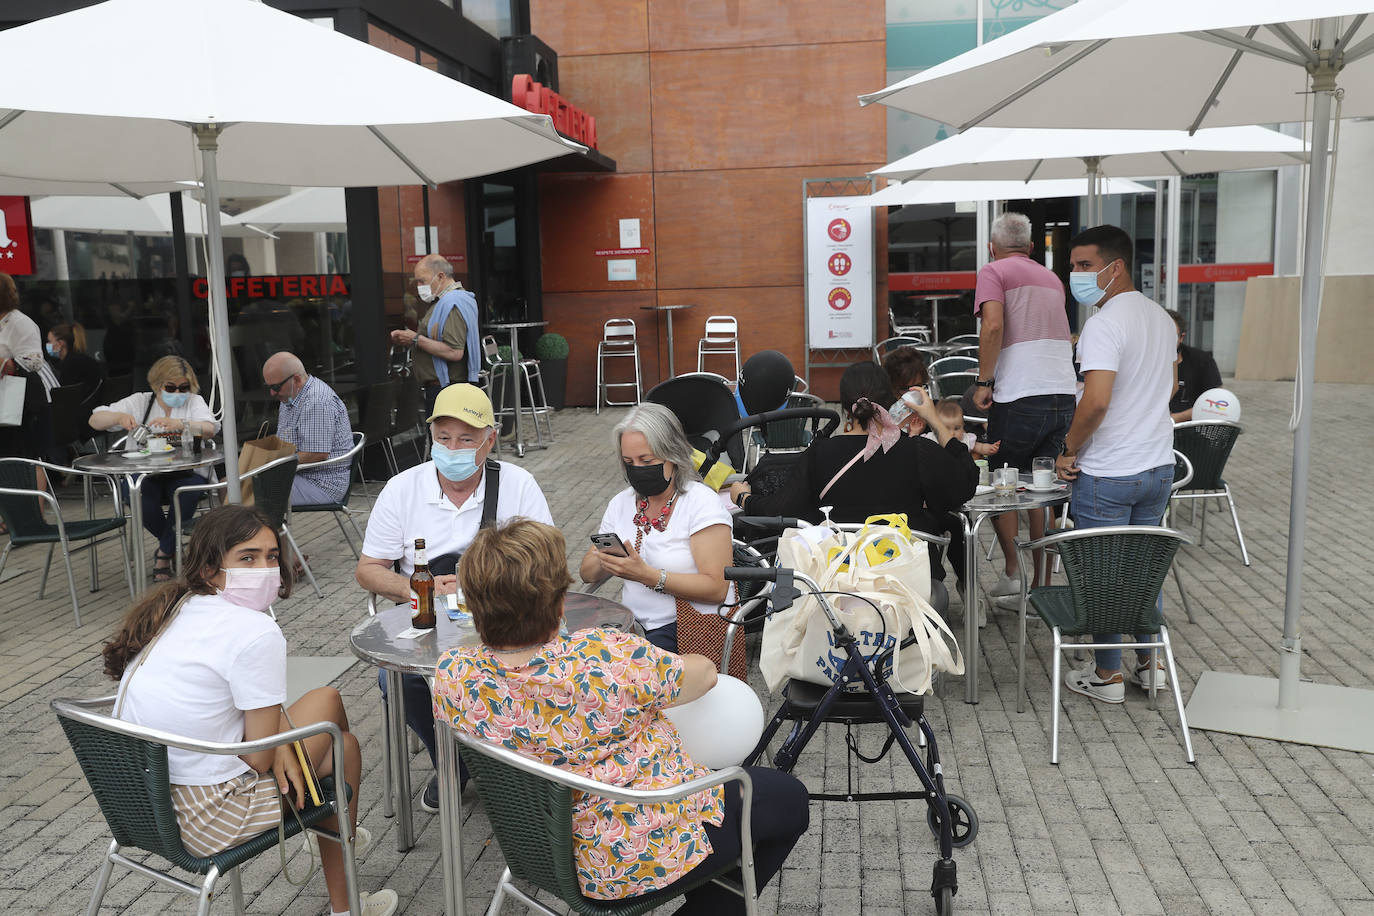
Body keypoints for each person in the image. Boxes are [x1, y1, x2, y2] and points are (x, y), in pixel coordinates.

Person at [435, 518, 809, 912]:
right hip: (634, 852)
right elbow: (704, 676)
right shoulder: (604, 656)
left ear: (472, 602)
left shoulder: (453, 674)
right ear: (559, 601)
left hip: (540, 848)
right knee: (789, 799)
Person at [102, 506, 398, 916]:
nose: (264, 568)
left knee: (327, 698)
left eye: (272, 556)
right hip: (203, 819)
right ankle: (343, 887)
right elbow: (257, 758)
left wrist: (278, 738)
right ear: (210, 567)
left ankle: (333, 830)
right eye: (247, 557)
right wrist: (276, 744)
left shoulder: (177, 608)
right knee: (342, 747)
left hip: (140, 804)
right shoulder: (255, 631)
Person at [354, 383, 551, 813]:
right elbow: (368, 570)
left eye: (466, 439)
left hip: (504, 619)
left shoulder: (517, 484)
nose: (453, 448)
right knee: (399, 679)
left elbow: (546, 564)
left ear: (490, 440)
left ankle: (511, 760)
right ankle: (456, 763)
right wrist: (416, 587)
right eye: (443, 438)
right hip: (424, 621)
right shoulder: (403, 489)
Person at [1056, 224, 1178, 703]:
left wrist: (1069, 449)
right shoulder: (1161, 320)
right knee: (1145, 568)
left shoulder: (1104, 324)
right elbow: (1168, 388)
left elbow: (1096, 402)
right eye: (1073, 266)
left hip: (1109, 469)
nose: (1076, 275)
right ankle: (1151, 665)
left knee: (1106, 574)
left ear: (1116, 266)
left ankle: (1107, 676)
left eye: (1086, 266)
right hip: (1157, 464)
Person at [730, 362, 978, 586]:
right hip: (906, 581)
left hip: (840, 580)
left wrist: (743, 498)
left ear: (845, 406)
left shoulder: (821, 452)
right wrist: (934, 420)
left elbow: (780, 509)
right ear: (891, 400)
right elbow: (965, 483)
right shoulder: (917, 450)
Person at [971, 212, 1078, 607]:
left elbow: (994, 326)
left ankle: (1013, 574)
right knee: (1041, 487)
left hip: (1019, 395)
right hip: (1062, 394)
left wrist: (984, 381)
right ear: (1033, 248)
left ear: (992, 246)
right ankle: (1042, 586)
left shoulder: (993, 270)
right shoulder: (1052, 279)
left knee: (1005, 484)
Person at [579, 403, 732, 657]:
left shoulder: (700, 503)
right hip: (632, 627)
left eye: (646, 460)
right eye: (629, 462)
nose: (637, 469)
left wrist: (647, 575)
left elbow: (716, 589)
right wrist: (608, 559)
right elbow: (586, 573)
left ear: (672, 456)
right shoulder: (622, 503)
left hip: (688, 630)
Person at [89, 356, 219, 582]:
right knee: (134, 492)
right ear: (157, 385)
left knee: (186, 493)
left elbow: (210, 428)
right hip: (146, 472)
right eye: (171, 387)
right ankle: (173, 547)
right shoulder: (140, 402)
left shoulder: (194, 402)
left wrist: (183, 425)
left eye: (184, 387)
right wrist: (119, 417)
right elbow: (95, 419)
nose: (178, 392)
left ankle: (164, 554)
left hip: (186, 471)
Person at [389, 254, 481, 415]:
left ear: (440, 276)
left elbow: (454, 351)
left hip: (446, 390)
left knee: (443, 439)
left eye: (422, 281)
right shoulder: (446, 300)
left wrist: (416, 339)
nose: (418, 286)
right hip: (443, 388)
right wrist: (412, 340)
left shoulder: (453, 302)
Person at [262, 351, 353, 506]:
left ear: (296, 379)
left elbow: (316, 453)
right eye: (268, 386)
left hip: (322, 483)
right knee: (233, 483)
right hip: (302, 476)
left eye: (275, 387)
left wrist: (273, 465)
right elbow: (284, 442)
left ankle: (264, 530)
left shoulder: (316, 402)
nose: (272, 393)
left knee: (247, 491)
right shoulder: (290, 395)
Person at [0, 272, 60, 463]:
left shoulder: (19, 323)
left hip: (23, 401)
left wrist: (5, 363)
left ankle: (36, 494)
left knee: (27, 458)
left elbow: (34, 361)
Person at [1165, 310, 1222, 422]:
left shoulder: (1202, 360)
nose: (1164, 340)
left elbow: (1217, 402)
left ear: (1182, 337)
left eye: (1170, 336)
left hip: (1191, 427)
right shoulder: (1143, 360)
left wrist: (1174, 419)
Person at [46, 322, 105, 407]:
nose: (48, 345)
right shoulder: (79, 359)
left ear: (60, 343)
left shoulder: (70, 364)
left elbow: (66, 397)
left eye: (49, 341)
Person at [924, 397, 1000, 459]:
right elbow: (917, 447)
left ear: (963, 426)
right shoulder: (930, 438)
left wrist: (990, 448)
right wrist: (915, 432)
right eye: (946, 429)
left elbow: (980, 447)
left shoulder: (966, 439)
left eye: (956, 428)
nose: (952, 433)